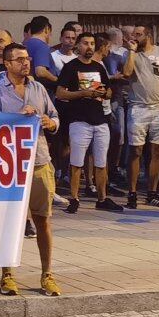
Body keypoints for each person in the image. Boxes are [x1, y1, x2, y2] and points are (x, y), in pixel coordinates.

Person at [0, 42, 60, 295]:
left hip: (39, 160)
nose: (25, 63)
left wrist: (51, 122)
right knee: (11, 223)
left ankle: (47, 274)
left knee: (43, 221)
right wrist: (19, 116)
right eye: (19, 59)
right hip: (11, 165)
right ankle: (7, 274)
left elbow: (55, 115)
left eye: (27, 58)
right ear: (7, 63)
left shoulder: (38, 87)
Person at [54, 30, 115, 215]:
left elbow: (110, 91)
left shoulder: (99, 67)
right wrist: (83, 93)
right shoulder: (71, 67)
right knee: (77, 162)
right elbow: (60, 93)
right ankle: (74, 198)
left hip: (100, 119)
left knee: (101, 162)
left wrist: (103, 93)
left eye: (92, 44)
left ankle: (102, 198)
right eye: (85, 43)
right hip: (79, 120)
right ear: (78, 46)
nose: (89, 47)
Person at [121, 23, 159, 208]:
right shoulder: (130, 54)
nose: (135, 37)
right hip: (138, 107)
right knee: (136, 150)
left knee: (157, 150)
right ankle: (132, 191)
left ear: (148, 35)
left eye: (138, 34)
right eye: (133, 35)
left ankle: (152, 192)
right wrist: (131, 51)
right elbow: (127, 73)